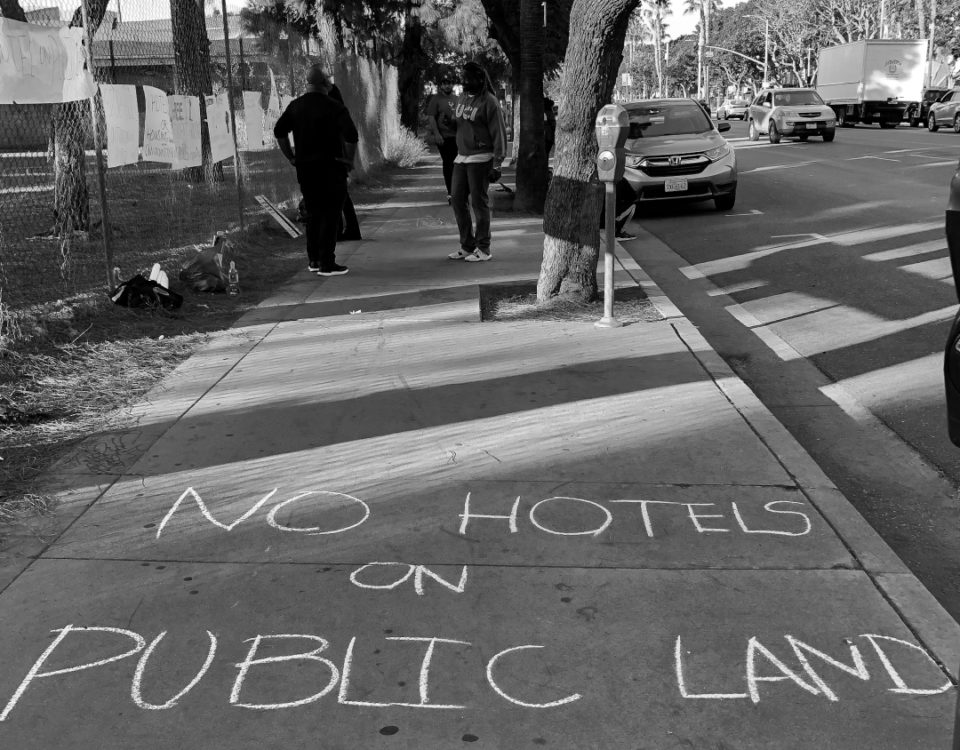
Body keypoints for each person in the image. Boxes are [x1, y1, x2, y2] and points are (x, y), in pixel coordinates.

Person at [275, 65, 359, 276]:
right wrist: (348, 159)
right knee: (330, 214)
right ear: (326, 84)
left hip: (306, 167)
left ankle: (313, 259)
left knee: (313, 213)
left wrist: (291, 157)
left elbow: (279, 131)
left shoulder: (296, 106)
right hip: (331, 167)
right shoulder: (334, 107)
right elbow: (351, 135)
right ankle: (327, 263)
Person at [446, 61, 507, 263]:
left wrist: (497, 164)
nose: (465, 82)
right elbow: (462, 123)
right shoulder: (463, 97)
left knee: (478, 203)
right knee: (456, 199)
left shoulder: (489, 101)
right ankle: (467, 245)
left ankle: (483, 248)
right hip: (462, 156)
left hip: (481, 157)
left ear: (480, 79)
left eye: (469, 78)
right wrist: (451, 123)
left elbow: (498, 132)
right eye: (463, 78)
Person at [425, 73, 459, 204]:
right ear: (441, 85)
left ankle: (459, 192)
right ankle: (451, 193)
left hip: (458, 137)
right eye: (444, 83)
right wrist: (437, 134)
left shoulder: (457, 98)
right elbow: (431, 117)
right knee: (448, 164)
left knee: (459, 165)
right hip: (444, 138)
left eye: (449, 82)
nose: (447, 85)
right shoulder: (436, 99)